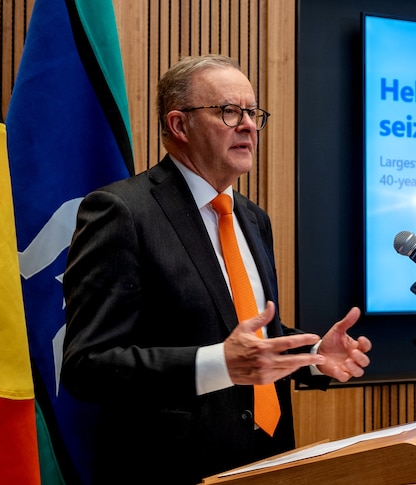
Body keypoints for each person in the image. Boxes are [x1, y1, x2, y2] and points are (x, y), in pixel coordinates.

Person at [61, 54, 372, 485]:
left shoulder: (251, 216)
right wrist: (218, 365)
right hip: (172, 468)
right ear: (179, 125)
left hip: (267, 462)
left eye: (252, 113)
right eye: (228, 111)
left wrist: (313, 355)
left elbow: (247, 330)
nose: (247, 125)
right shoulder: (121, 212)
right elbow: (88, 366)